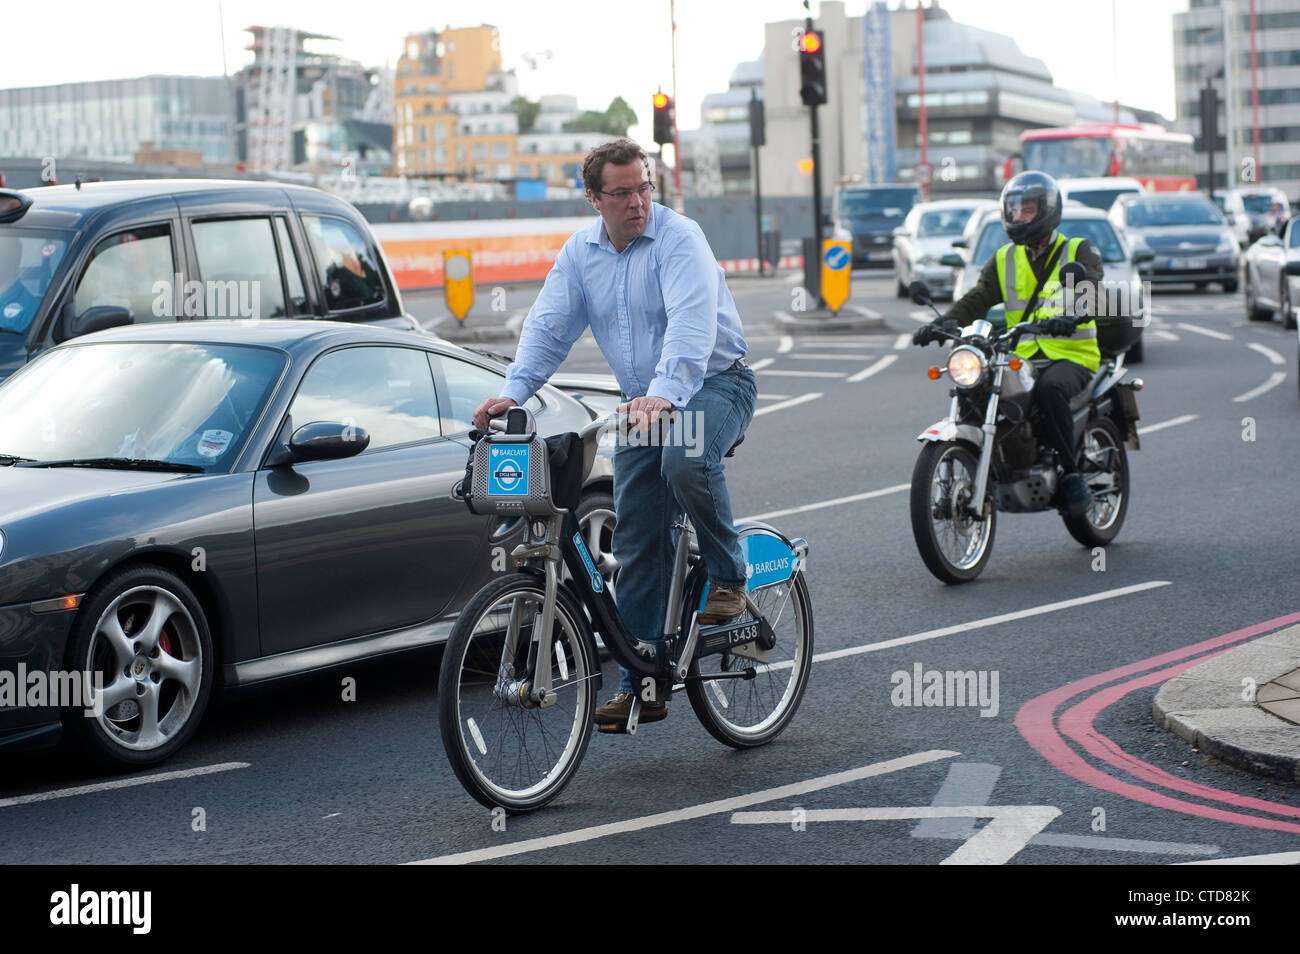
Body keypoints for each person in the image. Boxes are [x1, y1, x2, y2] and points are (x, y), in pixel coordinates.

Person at [472, 138, 757, 731]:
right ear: (594, 198)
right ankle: (639, 679)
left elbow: (690, 327)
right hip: (644, 402)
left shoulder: (682, 239)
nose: (639, 202)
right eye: (623, 192)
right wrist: (514, 391)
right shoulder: (580, 255)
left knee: (683, 460)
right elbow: (549, 328)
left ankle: (730, 577)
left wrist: (664, 394)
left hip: (714, 383)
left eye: (645, 187)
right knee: (635, 541)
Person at [913, 170, 1104, 518]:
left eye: (1027, 210)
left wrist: (1073, 314)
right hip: (1022, 354)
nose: (1019, 217)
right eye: (1014, 210)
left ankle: (1073, 474)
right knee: (980, 388)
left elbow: (1090, 291)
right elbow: (978, 297)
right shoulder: (1004, 258)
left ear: (1047, 210)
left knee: (1049, 391)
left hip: (1072, 354)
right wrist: (941, 323)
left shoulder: (1080, 250)